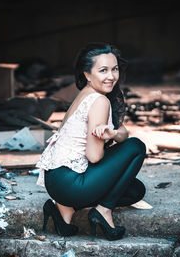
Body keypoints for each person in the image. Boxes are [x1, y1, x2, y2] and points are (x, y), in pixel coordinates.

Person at [36, 42, 146, 241]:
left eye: (115, 69)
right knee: (136, 147)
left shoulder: (83, 96)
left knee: (135, 190)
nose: (111, 76)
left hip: (57, 181)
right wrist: (109, 139)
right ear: (87, 74)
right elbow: (94, 157)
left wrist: (112, 135)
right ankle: (103, 211)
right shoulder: (99, 101)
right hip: (71, 183)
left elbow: (122, 132)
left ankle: (64, 212)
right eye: (103, 70)